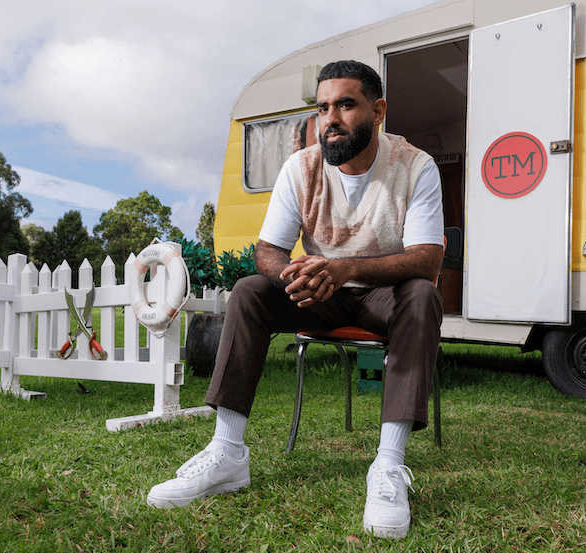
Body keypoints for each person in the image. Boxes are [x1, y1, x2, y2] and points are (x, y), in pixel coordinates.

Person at [147, 60, 444, 540]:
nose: (331, 118)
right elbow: (268, 251)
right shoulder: (300, 167)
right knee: (250, 290)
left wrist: (346, 268)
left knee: (422, 295)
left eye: (346, 104)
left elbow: (427, 258)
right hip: (320, 295)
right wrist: (293, 276)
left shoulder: (415, 165)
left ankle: (388, 466)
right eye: (323, 107)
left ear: (378, 110)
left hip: (383, 298)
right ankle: (227, 453)